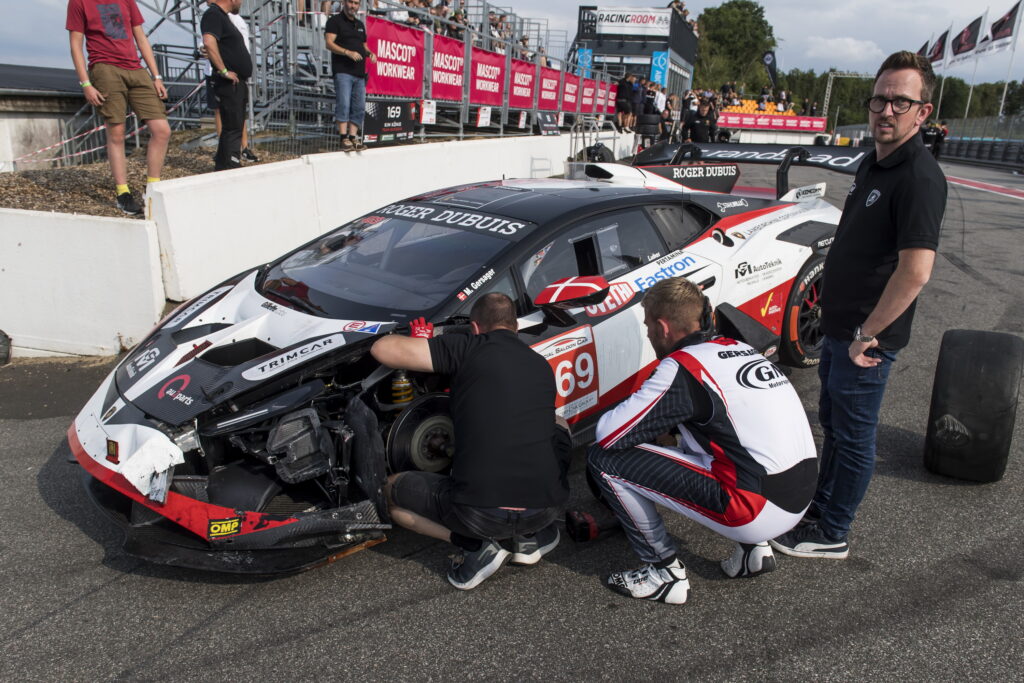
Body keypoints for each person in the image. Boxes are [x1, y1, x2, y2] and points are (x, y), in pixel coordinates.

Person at [771, 51, 946, 560]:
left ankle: (833, 534)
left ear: (922, 112)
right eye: (879, 99)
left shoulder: (919, 177)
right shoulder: (875, 161)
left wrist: (867, 334)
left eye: (900, 101)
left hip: (864, 340)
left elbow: (916, 272)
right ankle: (821, 510)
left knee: (851, 438)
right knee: (834, 424)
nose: (886, 110)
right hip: (840, 328)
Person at [587, 277, 817, 604]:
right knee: (721, 438)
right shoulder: (737, 347)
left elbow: (608, 434)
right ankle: (755, 551)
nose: (649, 334)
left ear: (663, 326)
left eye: (648, 326)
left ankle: (663, 573)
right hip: (800, 496)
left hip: (754, 508)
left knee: (603, 460)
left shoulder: (681, 366)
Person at [370, 293, 571, 590]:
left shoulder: (467, 347)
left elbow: (382, 348)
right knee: (559, 425)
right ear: (515, 326)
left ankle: (475, 547)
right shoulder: (540, 364)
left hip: (479, 515)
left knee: (390, 493)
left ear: (475, 328)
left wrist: (425, 339)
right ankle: (529, 538)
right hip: (543, 509)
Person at [67, 0, 171, 216]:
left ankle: (152, 187)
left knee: (162, 130)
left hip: (135, 68)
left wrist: (156, 76)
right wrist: (85, 83)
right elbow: (75, 44)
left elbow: (140, 37)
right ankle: (123, 193)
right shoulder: (79, 2)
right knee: (117, 133)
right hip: (104, 68)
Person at [200, 0, 256, 163]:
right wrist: (223, 71)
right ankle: (231, 164)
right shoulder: (213, 14)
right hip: (228, 82)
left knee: (234, 125)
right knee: (232, 127)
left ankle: (224, 163)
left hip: (237, 81)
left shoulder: (224, 17)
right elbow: (209, 42)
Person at [325, 0, 376, 152]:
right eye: (351, 2)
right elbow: (329, 43)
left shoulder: (360, 25)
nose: (353, 6)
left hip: (359, 73)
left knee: (359, 107)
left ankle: (353, 138)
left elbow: (364, 45)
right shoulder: (334, 21)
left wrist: (369, 53)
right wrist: (347, 52)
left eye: (356, 3)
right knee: (344, 104)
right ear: (344, 3)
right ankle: (343, 137)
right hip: (343, 71)